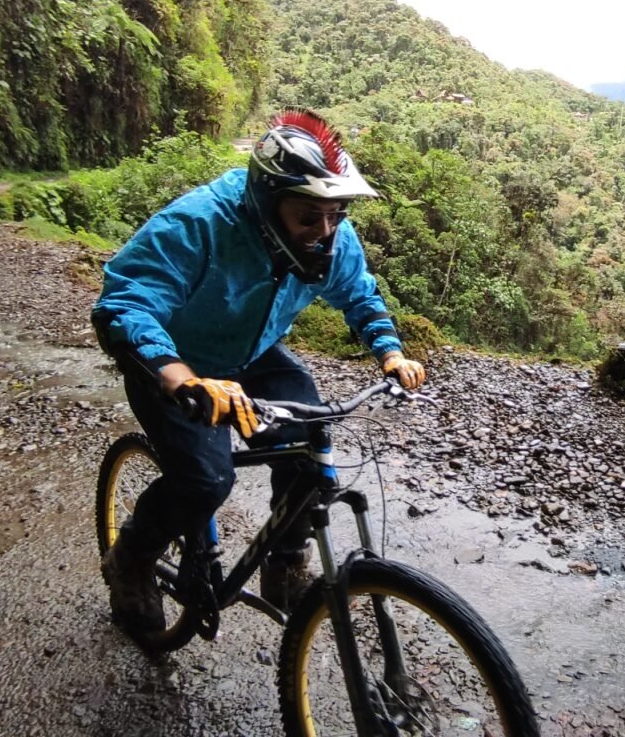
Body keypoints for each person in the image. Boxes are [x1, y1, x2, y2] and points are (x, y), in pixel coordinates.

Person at [91, 108, 426, 635]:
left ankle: (284, 562)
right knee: (205, 478)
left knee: (310, 448)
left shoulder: (331, 236)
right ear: (269, 204)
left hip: (250, 353)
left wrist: (390, 353)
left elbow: (358, 292)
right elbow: (125, 303)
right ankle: (131, 558)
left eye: (336, 213)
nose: (324, 230)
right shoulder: (198, 223)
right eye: (309, 216)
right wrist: (183, 378)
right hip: (175, 360)